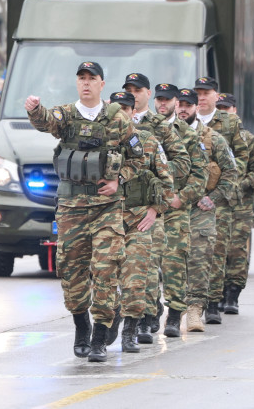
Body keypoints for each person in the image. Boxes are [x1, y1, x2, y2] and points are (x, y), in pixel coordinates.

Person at [25, 61, 144, 362]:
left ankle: (100, 338)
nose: (87, 83)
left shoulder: (118, 118)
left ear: (102, 84)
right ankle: (81, 327)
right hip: (71, 207)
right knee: (71, 271)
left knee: (105, 270)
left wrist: (119, 179)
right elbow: (45, 122)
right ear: (77, 83)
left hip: (106, 209)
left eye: (92, 78)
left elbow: (138, 158)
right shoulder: (66, 115)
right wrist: (35, 109)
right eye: (82, 78)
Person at [107, 87, 174, 352]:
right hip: (106, 221)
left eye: (126, 108)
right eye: (116, 109)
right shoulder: (98, 140)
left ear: (133, 112)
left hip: (138, 220)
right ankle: (107, 324)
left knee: (135, 278)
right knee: (105, 279)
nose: (121, 113)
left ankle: (130, 331)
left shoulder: (147, 141)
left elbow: (167, 181)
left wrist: (155, 210)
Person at [177, 86, 238, 333]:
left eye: (188, 105)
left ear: (196, 108)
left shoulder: (213, 138)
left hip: (201, 209)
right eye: (179, 105)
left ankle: (195, 311)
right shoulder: (165, 135)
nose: (183, 110)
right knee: (171, 262)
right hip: (173, 208)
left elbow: (231, 171)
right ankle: (170, 311)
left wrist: (215, 197)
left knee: (200, 260)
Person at [149, 83, 205, 338]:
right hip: (148, 206)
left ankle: (173, 314)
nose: (162, 104)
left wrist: (182, 198)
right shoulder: (144, 129)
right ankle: (149, 311)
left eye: (167, 100)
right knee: (147, 261)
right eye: (159, 99)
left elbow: (199, 175)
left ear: (176, 102)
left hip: (174, 208)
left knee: (173, 260)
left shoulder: (188, 135)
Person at [205, 85, 254, 317]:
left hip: (240, 205)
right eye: (219, 108)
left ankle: (233, 294)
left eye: (226, 108)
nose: (223, 112)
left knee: (237, 250)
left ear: (235, 110)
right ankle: (217, 294)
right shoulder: (209, 136)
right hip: (218, 204)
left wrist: (241, 185)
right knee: (217, 249)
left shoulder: (246, 139)